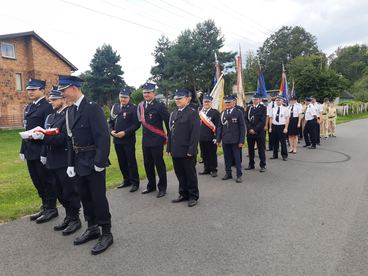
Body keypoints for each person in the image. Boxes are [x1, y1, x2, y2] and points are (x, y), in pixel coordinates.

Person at [59, 75, 113, 255]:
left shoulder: (92, 108)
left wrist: (100, 161)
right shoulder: (70, 111)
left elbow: (103, 136)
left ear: (74, 88)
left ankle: (106, 232)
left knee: (98, 198)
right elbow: (70, 139)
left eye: (64, 90)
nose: (63, 94)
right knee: (85, 197)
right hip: (78, 160)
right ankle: (92, 227)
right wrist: (70, 163)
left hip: (93, 160)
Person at [33, 86, 81, 235]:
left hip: (64, 159)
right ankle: (68, 216)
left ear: (63, 100)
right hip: (52, 160)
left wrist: (44, 137)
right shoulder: (52, 117)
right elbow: (48, 136)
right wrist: (39, 143)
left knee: (69, 191)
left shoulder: (68, 115)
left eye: (54, 99)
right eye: (51, 99)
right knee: (59, 191)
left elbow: (65, 138)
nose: (51, 102)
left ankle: (75, 219)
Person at [20, 79, 57, 223]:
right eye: (29, 90)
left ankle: (52, 208)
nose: (30, 92)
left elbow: (48, 131)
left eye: (33, 90)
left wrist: (45, 152)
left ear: (42, 90)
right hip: (30, 149)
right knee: (36, 179)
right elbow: (26, 129)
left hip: (41, 148)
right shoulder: (30, 107)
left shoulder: (47, 107)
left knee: (46, 179)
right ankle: (45, 205)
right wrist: (22, 149)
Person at [168, 89, 200, 207]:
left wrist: (192, 150)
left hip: (187, 150)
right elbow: (171, 132)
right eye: (176, 99)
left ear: (187, 99)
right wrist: (169, 148)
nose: (177, 101)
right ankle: (183, 193)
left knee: (189, 174)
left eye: (180, 98)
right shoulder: (174, 113)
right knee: (179, 173)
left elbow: (195, 133)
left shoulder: (192, 113)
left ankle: (193, 195)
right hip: (176, 150)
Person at [138, 82, 170, 198]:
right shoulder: (141, 106)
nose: (146, 94)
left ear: (154, 93)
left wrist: (169, 138)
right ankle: (151, 185)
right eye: (144, 92)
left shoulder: (160, 106)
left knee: (159, 164)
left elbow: (168, 121)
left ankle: (162, 188)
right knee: (148, 164)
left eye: (148, 92)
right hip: (145, 141)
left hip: (157, 140)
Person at [109, 88, 140, 192]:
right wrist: (111, 131)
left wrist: (125, 132)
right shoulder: (115, 107)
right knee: (121, 161)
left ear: (129, 98)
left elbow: (136, 124)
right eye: (121, 97)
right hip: (117, 140)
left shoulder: (133, 108)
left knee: (131, 162)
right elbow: (110, 122)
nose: (123, 99)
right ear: (119, 97)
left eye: (125, 97)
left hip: (128, 139)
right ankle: (126, 180)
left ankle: (135, 182)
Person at [217, 95, 245, 183]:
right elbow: (220, 127)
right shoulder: (223, 113)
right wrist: (218, 139)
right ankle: (228, 173)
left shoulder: (238, 112)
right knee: (227, 158)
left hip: (235, 140)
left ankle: (239, 175)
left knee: (237, 159)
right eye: (226, 102)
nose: (227, 104)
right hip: (226, 140)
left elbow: (242, 127)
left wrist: (241, 141)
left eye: (229, 102)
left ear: (234, 102)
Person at [198, 94, 220, 177]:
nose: (206, 103)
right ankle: (206, 169)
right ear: (203, 102)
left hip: (211, 138)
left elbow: (218, 126)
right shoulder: (200, 112)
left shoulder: (215, 112)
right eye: (205, 102)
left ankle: (213, 169)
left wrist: (216, 137)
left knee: (212, 154)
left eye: (208, 102)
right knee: (204, 154)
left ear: (211, 103)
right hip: (201, 137)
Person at [244, 94, 267, 172]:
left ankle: (262, 165)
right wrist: (250, 128)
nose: (255, 101)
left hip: (259, 132)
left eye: (256, 99)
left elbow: (262, 121)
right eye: (253, 99)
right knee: (250, 149)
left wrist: (255, 130)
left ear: (260, 100)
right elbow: (246, 119)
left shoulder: (263, 108)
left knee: (261, 149)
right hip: (250, 132)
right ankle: (251, 164)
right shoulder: (249, 108)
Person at [269, 96, 289, 161]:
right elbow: (271, 118)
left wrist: (286, 128)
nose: (278, 101)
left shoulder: (285, 109)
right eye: (277, 100)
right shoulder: (273, 109)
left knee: (283, 142)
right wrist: (270, 127)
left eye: (279, 100)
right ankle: (275, 155)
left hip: (282, 126)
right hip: (274, 126)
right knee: (275, 141)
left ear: (282, 101)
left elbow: (287, 119)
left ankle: (284, 155)